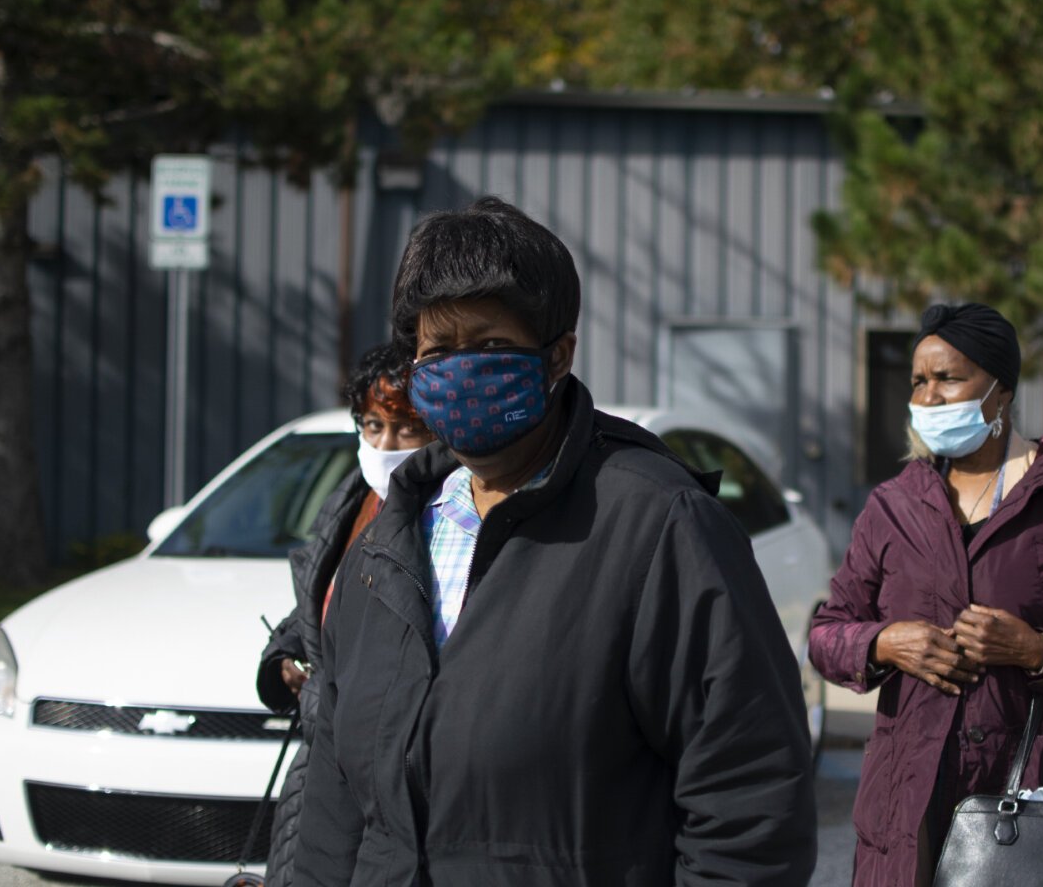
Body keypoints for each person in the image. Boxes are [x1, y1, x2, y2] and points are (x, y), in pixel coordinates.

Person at [295, 196, 817, 886]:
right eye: (438, 351)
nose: (460, 371)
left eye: (488, 347)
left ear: (557, 356)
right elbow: (334, 812)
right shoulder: (385, 544)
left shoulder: (658, 525)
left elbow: (749, 807)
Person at [810, 302, 1043, 887]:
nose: (929, 396)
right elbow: (827, 632)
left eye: (949, 378)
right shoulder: (894, 506)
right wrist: (884, 643)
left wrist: (1039, 651)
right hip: (907, 798)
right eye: (919, 381)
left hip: (1032, 789)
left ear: (1001, 390)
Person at [254, 342, 435, 887]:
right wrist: (285, 654)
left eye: (407, 429)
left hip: (391, 770)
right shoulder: (353, 498)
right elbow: (322, 594)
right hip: (321, 760)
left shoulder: (451, 514)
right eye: (372, 426)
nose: (385, 445)